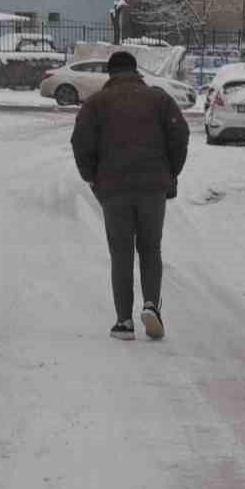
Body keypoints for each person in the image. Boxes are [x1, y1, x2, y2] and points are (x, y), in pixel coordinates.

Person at [71, 51, 190, 341]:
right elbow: (180, 135)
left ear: (110, 74)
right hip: (153, 187)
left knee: (121, 253)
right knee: (151, 248)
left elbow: (80, 141)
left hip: (113, 188)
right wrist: (169, 173)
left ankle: (123, 321)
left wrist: (92, 176)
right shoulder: (159, 99)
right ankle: (151, 304)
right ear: (136, 71)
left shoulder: (96, 103)